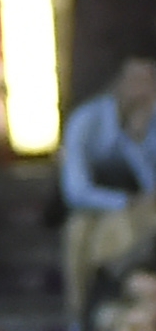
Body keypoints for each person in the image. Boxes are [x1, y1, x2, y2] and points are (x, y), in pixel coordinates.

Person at [60, 53, 156, 317]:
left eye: (149, 80)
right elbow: (75, 190)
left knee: (122, 227)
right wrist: (124, 202)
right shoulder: (86, 121)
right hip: (99, 205)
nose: (141, 88)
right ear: (118, 81)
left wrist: (135, 141)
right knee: (80, 231)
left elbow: (151, 186)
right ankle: (82, 319)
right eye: (135, 79)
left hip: (147, 209)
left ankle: (120, 307)